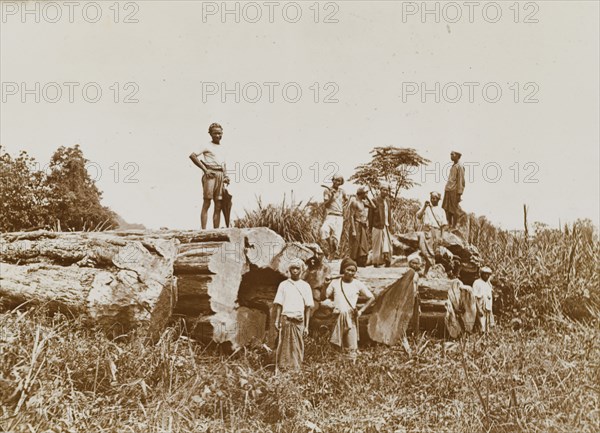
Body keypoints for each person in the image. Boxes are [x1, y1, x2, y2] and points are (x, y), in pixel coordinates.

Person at [325, 258, 375, 361]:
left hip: (351, 317)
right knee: (337, 347)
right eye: (348, 270)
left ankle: (351, 367)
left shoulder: (357, 284)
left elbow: (371, 297)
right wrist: (325, 284)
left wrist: (361, 311)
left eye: (353, 271)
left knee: (351, 347)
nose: (350, 273)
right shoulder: (335, 283)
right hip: (337, 317)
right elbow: (323, 297)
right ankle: (337, 370)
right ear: (343, 270)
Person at [273, 259, 314, 371]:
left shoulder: (305, 286)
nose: (295, 271)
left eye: (297, 268)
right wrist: (277, 320)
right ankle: (282, 369)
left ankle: (295, 370)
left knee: (297, 346)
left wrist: (306, 326)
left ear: (302, 270)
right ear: (289, 270)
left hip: (299, 321)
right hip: (285, 319)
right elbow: (279, 304)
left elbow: (308, 308)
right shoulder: (283, 285)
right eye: (293, 268)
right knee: (283, 345)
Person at [189, 123, 229, 229]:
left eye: (219, 133)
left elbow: (223, 164)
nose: (217, 135)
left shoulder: (223, 148)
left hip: (220, 174)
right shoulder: (206, 145)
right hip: (210, 174)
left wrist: (226, 176)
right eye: (215, 133)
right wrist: (205, 170)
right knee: (207, 202)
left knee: (219, 204)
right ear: (210, 134)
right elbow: (192, 156)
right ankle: (203, 230)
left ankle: (216, 231)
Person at [415, 191, 448, 273]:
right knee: (424, 251)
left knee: (432, 253)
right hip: (426, 230)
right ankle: (424, 270)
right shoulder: (427, 208)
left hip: (436, 232)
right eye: (431, 198)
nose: (432, 200)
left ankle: (427, 271)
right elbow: (418, 216)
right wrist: (424, 207)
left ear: (438, 200)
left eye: (434, 198)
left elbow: (443, 225)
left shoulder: (441, 211)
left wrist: (442, 236)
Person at [320, 174, 347, 260]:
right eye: (335, 180)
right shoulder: (327, 191)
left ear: (341, 182)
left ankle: (331, 257)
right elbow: (326, 205)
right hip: (330, 215)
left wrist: (343, 207)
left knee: (336, 239)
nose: (336, 182)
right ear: (332, 180)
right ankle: (329, 243)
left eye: (339, 181)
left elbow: (346, 200)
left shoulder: (342, 191)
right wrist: (332, 196)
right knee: (323, 230)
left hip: (339, 216)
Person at [369, 182, 393, 267]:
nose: (385, 192)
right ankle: (376, 262)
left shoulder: (387, 201)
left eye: (387, 190)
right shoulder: (375, 200)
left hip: (386, 225)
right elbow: (370, 215)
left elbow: (389, 214)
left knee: (388, 244)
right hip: (377, 225)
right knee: (377, 244)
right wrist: (370, 227)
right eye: (384, 190)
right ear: (380, 190)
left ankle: (387, 260)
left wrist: (390, 226)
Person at [348, 187, 373, 267]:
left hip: (362, 225)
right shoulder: (355, 202)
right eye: (365, 193)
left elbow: (373, 206)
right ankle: (353, 262)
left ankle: (360, 262)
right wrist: (353, 230)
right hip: (356, 224)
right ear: (361, 194)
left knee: (363, 244)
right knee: (356, 244)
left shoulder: (363, 202)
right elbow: (351, 216)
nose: (366, 195)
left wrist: (368, 197)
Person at [442, 151, 466, 229]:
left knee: (454, 209)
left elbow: (461, 181)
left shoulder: (460, 166)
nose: (451, 156)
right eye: (450, 154)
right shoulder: (454, 166)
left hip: (454, 190)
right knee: (447, 208)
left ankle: (454, 226)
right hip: (448, 189)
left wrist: (459, 193)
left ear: (458, 156)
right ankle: (449, 224)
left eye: (453, 154)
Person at [472, 266, 495, 333]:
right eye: (485, 274)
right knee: (481, 325)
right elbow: (475, 297)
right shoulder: (477, 282)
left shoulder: (488, 284)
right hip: (481, 306)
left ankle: (486, 337)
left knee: (488, 325)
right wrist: (478, 309)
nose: (487, 276)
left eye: (488, 274)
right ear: (481, 274)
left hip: (488, 307)